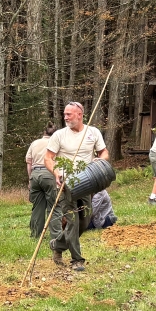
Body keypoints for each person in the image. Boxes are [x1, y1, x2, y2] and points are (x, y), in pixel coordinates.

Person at [45, 102, 109, 272]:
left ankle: (58, 245)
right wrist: (56, 172)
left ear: (80, 115)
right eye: (64, 114)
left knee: (85, 220)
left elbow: (104, 152)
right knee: (72, 220)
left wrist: (99, 160)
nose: (65, 117)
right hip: (66, 183)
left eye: (69, 115)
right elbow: (48, 158)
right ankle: (77, 260)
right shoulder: (59, 135)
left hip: (87, 182)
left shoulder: (93, 132)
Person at [26, 124, 58, 238]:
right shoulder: (55, 143)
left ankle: (35, 234)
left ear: (44, 133)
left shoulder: (34, 143)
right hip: (49, 174)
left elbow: (29, 163)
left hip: (35, 174)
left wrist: (30, 179)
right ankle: (55, 234)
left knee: (37, 206)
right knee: (53, 205)